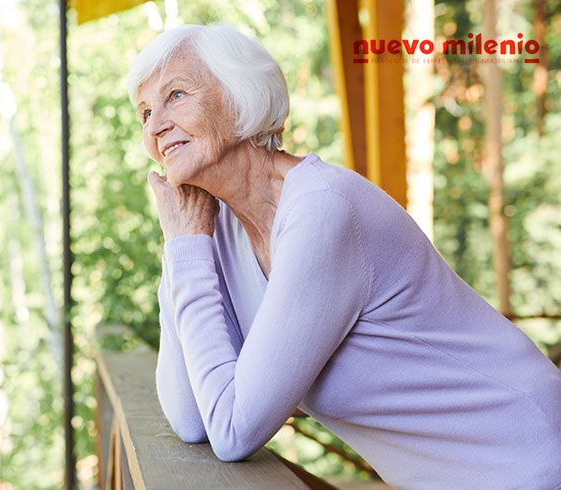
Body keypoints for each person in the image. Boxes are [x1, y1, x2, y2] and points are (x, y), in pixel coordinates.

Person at [128, 24, 561, 489]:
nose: (155, 126)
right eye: (145, 111)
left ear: (241, 98)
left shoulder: (322, 210)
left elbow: (233, 431)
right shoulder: (218, 230)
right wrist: (183, 248)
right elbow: (193, 417)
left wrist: (187, 249)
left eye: (175, 96)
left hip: (528, 461)